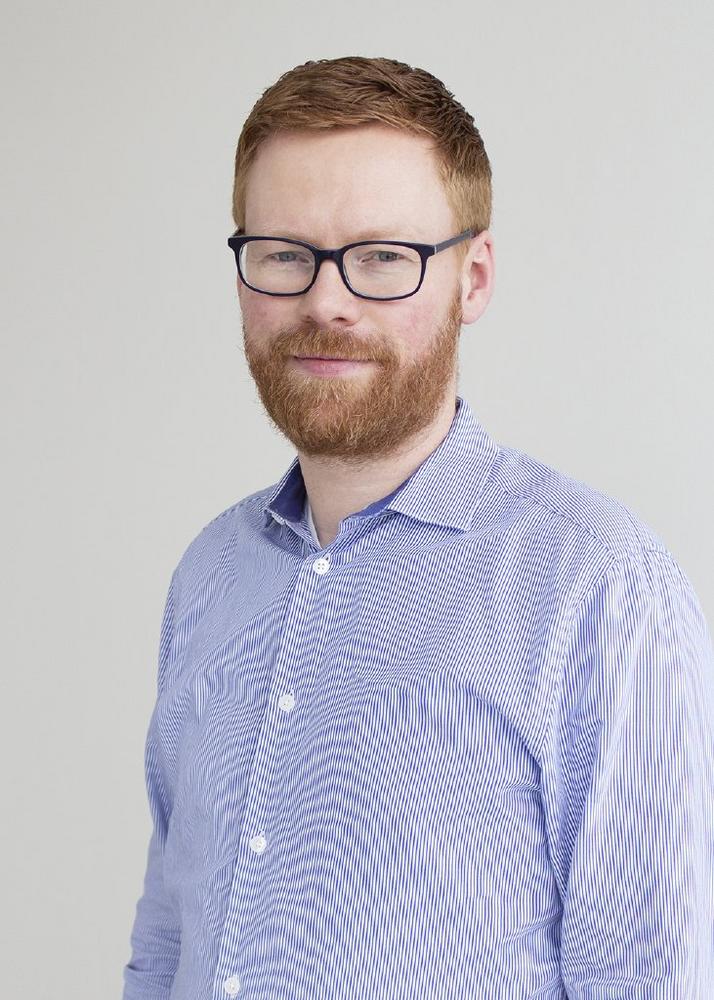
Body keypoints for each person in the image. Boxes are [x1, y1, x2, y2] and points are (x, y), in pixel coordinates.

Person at [123, 56, 714, 999]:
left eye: (383, 257)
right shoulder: (210, 576)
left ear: (472, 278)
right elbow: (165, 948)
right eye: (284, 254)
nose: (326, 301)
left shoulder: (598, 589)